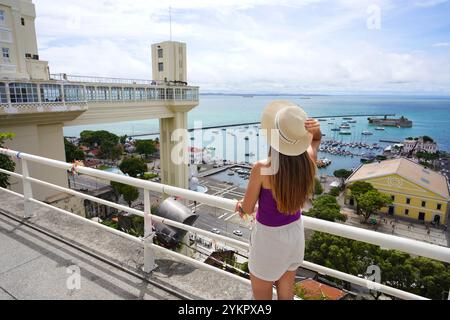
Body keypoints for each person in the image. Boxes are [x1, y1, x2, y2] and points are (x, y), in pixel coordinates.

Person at [235, 100, 321, 300]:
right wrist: (315, 131)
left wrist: (240, 205)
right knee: (286, 293)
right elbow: (315, 142)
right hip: (295, 235)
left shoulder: (262, 168)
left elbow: (247, 209)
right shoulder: (308, 160)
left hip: (268, 241)